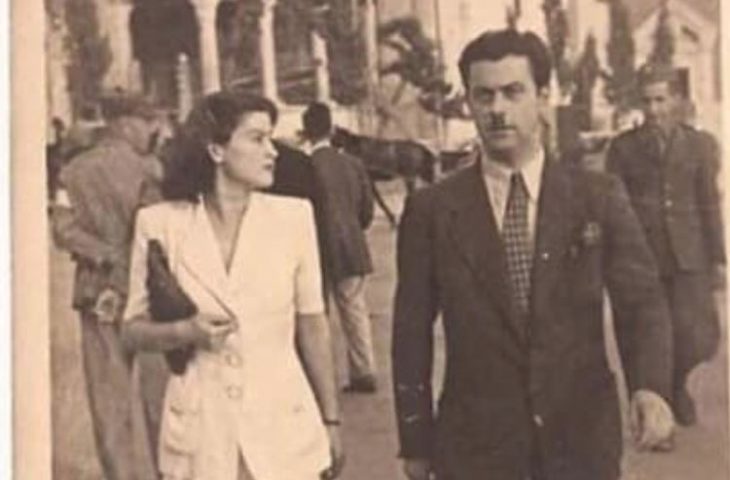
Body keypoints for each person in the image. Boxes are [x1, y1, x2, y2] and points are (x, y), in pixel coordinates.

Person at [392, 29, 675, 480]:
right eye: (484, 95)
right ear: (469, 103)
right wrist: (416, 439)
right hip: (476, 449)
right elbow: (410, 333)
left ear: (543, 97)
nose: (497, 109)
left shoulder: (596, 196)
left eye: (513, 92)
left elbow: (641, 301)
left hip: (580, 443)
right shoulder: (432, 211)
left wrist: (650, 387)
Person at [121, 91, 344, 480]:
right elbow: (131, 331)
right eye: (257, 139)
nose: (272, 152)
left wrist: (331, 419)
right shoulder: (159, 224)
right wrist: (184, 331)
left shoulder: (294, 218)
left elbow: (312, 324)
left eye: (271, 138)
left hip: (282, 427)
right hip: (200, 431)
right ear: (216, 150)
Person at [51, 92, 165, 480]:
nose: (152, 132)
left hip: (95, 291)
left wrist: (104, 255)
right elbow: (158, 233)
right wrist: (126, 259)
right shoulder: (151, 171)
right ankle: (169, 472)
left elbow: (63, 230)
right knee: (160, 394)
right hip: (150, 293)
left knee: (108, 397)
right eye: (148, 123)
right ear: (126, 123)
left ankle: (120, 475)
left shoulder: (72, 171)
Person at [606, 65, 725, 426]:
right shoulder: (623, 148)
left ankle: (675, 382)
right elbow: (615, 205)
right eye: (647, 101)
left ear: (676, 100)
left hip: (689, 255)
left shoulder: (700, 145)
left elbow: (709, 203)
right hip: (643, 257)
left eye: (661, 100)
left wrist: (718, 259)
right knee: (648, 335)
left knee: (701, 336)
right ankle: (657, 406)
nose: (654, 109)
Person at [302, 102, 378, 393]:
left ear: (306, 132)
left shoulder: (305, 166)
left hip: (316, 250)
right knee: (355, 311)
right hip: (351, 248)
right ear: (332, 129)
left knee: (316, 315)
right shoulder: (353, 164)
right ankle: (364, 371)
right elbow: (367, 210)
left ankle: (319, 378)